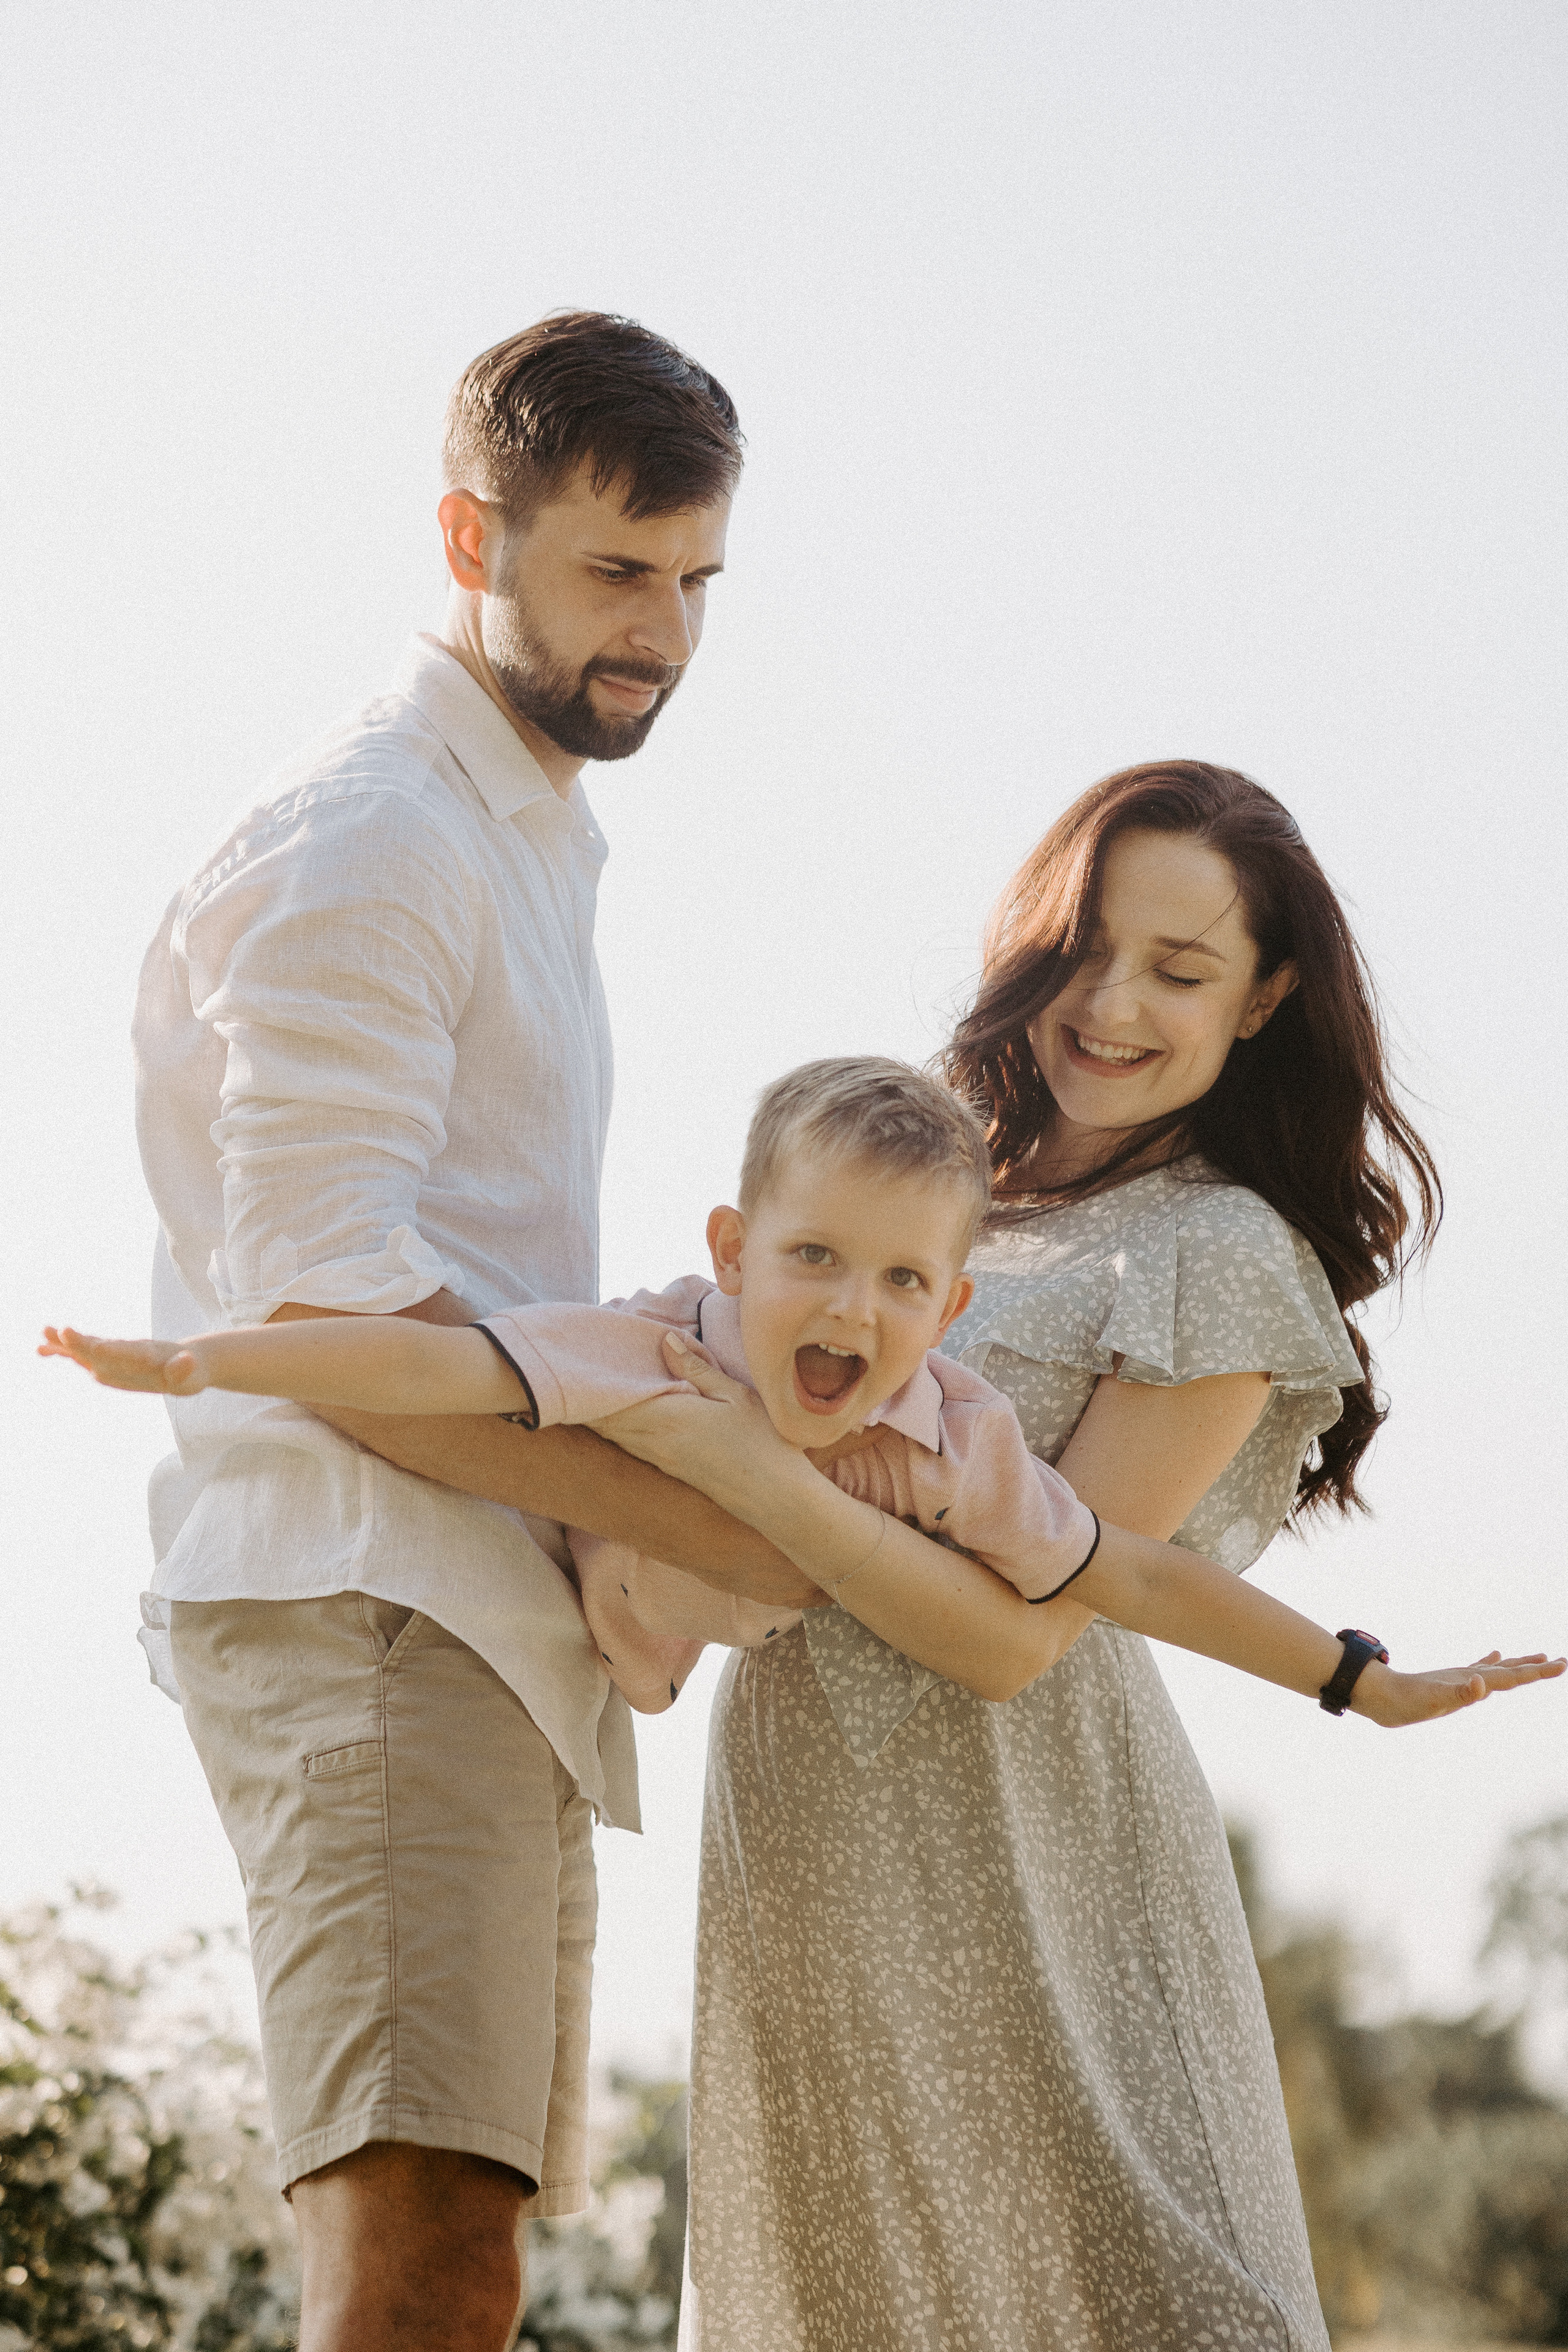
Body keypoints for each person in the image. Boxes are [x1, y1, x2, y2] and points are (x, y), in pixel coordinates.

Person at [570, 763, 1559, 2351]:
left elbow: (1028, 1632)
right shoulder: (931, 1188)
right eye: (1089, 950)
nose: (1113, 1006)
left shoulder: (1225, 1254)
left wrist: (757, 1474)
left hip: (1045, 1848)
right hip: (808, 1836)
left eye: (1180, 970)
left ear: (1265, 999)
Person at [121, 311, 819, 2352]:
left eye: (696, 584)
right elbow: (326, 1305)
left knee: (467, 2265)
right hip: (368, 1598)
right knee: (416, 2255)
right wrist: (663, 1511)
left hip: (465, 1616)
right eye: (617, 571)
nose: (664, 635)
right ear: (468, 533)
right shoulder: (380, 841)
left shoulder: (521, 839)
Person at [45, 1056, 1558, 1752]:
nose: (850, 1310)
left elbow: (1134, 1573)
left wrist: (1357, 1680)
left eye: (901, 1283)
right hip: (557, 1617)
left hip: (728, 1670)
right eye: (812, 1260)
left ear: (950, 1312)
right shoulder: (668, 1350)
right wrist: (208, 1359)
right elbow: (438, 1364)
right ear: (731, 1254)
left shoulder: (948, 1432)